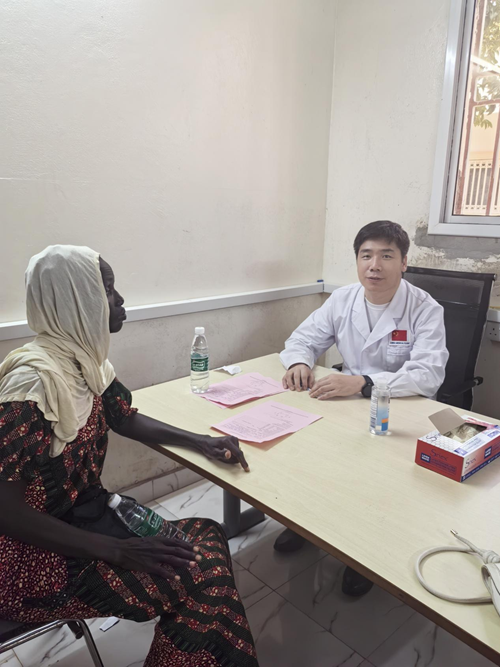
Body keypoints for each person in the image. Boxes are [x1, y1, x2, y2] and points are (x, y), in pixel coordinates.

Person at [0, 246, 258, 667]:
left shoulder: (85, 361)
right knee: (202, 576)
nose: (119, 301)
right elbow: (5, 512)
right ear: (75, 301)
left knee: (208, 535)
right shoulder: (31, 388)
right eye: (107, 290)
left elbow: (124, 418)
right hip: (31, 560)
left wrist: (201, 441)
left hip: (83, 520)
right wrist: (114, 551)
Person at [275, 221, 449, 597]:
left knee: (374, 487)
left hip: (400, 406)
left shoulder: (424, 308)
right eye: (366, 255)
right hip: (347, 402)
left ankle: (363, 559)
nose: (375, 265)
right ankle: (304, 522)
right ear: (357, 260)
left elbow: (428, 374)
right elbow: (303, 338)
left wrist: (366, 383)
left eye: (386, 255)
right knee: (314, 462)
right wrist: (299, 362)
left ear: (404, 262)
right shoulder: (342, 299)